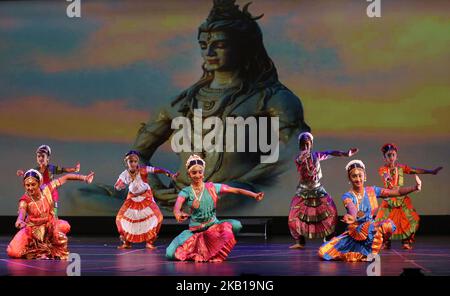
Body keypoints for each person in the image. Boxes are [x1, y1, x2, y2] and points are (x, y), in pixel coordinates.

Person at [133, 0, 310, 208]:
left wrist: (243, 185)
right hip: (179, 200)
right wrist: (152, 187)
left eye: (220, 45)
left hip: (235, 200)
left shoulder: (273, 99)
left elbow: (296, 152)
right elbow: (137, 155)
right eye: (203, 45)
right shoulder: (179, 103)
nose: (208, 53)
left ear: (244, 48)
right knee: (87, 194)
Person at [318, 160, 422, 262]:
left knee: (388, 225)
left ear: (365, 176)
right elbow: (352, 208)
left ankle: (372, 253)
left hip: (370, 229)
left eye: (360, 175)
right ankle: (363, 252)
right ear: (349, 178)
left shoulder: (372, 191)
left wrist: (415, 187)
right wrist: (353, 217)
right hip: (355, 233)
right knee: (323, 252)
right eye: (354, 176)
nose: (358, 179)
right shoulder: (347, 196)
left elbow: (397, 192)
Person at [166, 154, 264, 262]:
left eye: (200, 172)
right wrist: (178, 214)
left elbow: (235, 190)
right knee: (170, 253)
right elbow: (177, 207)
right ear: (189, 174)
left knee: (236, 225)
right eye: (194, 173)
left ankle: (213, 249)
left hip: (213, 227)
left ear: (203, 174)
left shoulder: (212, 187)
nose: (197, 175)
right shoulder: (186, 192)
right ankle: (197, 253)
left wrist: (254, 195)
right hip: (195, 232)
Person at [288, 132, 358, 249]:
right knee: (293, 215)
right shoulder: (298, 158)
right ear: (300, 146)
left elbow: (330, 153)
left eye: (307, 144)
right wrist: (302, 157)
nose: (305, 147)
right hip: (303, 190)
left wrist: (346, 154)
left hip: (317, 188)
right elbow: (299, 161)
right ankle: (300, 241)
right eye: (303, 145)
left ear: (311, 145)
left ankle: (329, 238)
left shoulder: (316, 156)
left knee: (331, 212)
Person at [7, 169, 94, 259]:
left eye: (33, 184)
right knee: (13, 251)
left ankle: (55, 251)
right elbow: (22, 212)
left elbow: (66, 177)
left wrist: (84, 178)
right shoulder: (25, 200)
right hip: (32, 231)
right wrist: (20, 220)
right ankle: (38, 252)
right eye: (27, 185)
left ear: (39, 183)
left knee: (63, 226)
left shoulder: (47, 189)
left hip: (49, 226)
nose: (30, 188)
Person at [375, 143, 443, 249]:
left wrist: (431, 172)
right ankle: (386, 242)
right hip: (389, 197)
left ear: (396, 156)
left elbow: (414, 170)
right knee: (382, 220)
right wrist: (388, 180)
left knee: (409, 219)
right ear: (384, 157)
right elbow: (386, 176)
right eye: (389, 155)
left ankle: (406, 241)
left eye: (393, 155)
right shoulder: (383, 169)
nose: (391, 157)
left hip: (402, 197)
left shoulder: (401, 167)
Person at [114, 150, 177, 249]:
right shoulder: (124, 174)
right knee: (120, 218)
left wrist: (169, 173)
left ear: (137, 162)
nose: (133, 164)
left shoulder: (143, 170)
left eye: (135, 161)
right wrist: (119, 186)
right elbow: (117, 185)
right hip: (132, 197)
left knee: (158, 217)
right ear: (127, 162)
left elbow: (157, 170)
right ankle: (126, 242)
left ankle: (150, 241)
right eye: (131, 161)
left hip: (145, 196)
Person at [16, 144, 80, 217]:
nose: (40, 158)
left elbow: (63, 170)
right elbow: (30, 176)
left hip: (50, 190)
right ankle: (23, 213)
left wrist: (74, 169)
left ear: (47, 158)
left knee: (53, 206)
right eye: (38, 156)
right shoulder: (36, 170)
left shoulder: (51, 168)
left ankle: (54, 218)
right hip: (40, 191)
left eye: (43, 156)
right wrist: (23, 173)